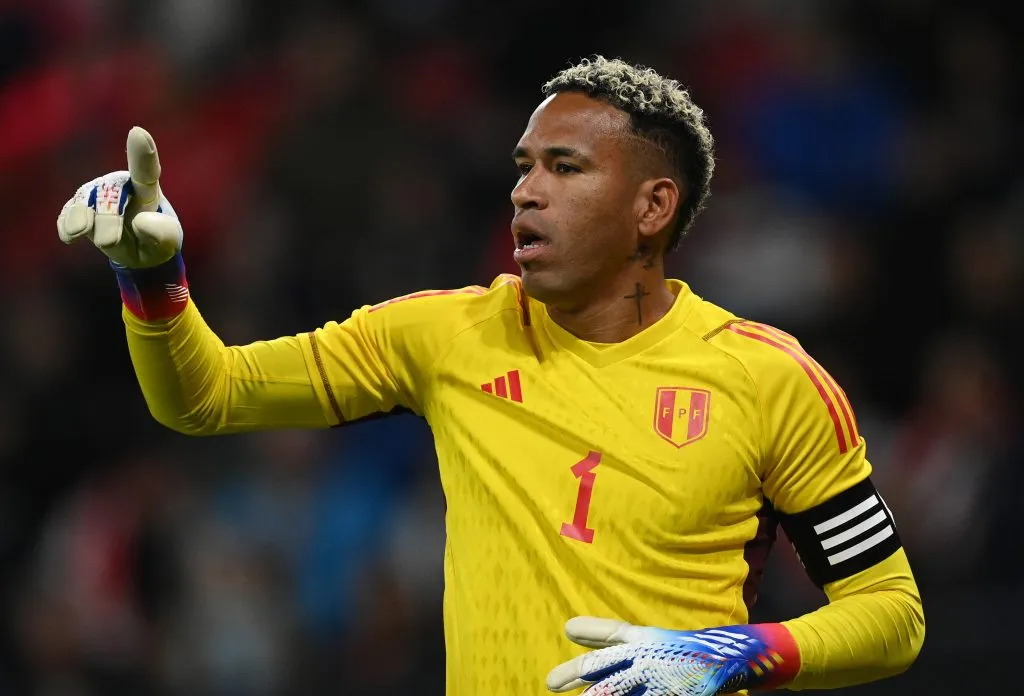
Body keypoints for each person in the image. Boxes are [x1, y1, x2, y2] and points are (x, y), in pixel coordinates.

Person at [57, 56, 924, 696]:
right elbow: (206, 399)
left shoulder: (768, 379)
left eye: (566, 168)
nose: (525, 193)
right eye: (523, 168)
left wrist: (736, 654)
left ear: (652, 208)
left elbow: (892, 611)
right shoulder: (447, 334)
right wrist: (150, 281)